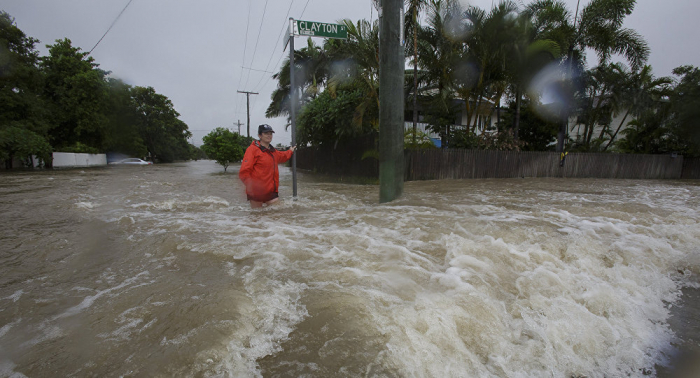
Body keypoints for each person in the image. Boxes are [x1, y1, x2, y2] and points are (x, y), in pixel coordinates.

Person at [239, 124, 296, 208]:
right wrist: (251, 187)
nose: (269, 135)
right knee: (256, 216)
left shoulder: (273, 151)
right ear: (259, 135)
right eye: (266, 133)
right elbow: (244, 172)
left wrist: (290, 151)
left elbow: (282, 156)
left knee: (277, 214)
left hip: (271, 191)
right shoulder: (252, 150)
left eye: (270, 133)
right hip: (256, 191)